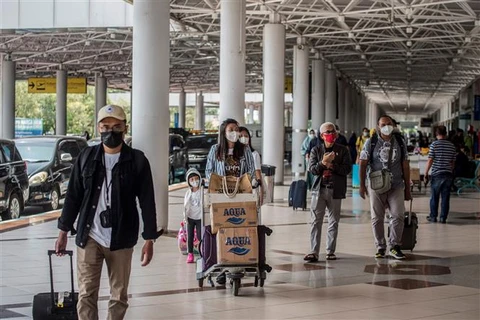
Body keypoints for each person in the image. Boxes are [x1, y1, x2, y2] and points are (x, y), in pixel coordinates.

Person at [55, 105, 162, 320]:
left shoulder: (137, 160)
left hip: (122, 237)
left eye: (116, 127)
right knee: (86, 294)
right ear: (98, 128)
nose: (110, 132)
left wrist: (149, 238)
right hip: (89, 235)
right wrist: (63, 230)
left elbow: (147, 201)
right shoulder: (86, 157)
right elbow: (73, 196)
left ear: (125, 128)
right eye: (105, 127)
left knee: (119, 296)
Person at [205, 118, 256, 284]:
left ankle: (239, 263)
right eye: (231, 129)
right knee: (222, 229)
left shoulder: (245, 150)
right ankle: (221, 266)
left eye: (236, 128)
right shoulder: (215, 150)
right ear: (224, 132)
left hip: (241, 196)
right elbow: (209, 172)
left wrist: (247, 182)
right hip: (221, 196)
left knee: (239, 227)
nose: (234, 132)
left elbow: (250, 171)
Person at [359, 115, 411, 260]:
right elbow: (362, 163)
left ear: (393, 125)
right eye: (383, 124)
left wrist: (407, 188)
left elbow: (405, 165)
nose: (386, 126)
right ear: (378, 126)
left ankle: (395, 246)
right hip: (376, 185)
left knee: (398, 215)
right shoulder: (371, 142)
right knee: (377, 217)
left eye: (389, 124)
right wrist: (362, 185)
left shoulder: (400, 142)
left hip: (396, 185)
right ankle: (380, 247)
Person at [303, 122, 352, 262]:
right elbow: (312, 169)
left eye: (333, 131)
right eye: (327, 132)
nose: (331, 134)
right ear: (321, 135)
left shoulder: (343, 150)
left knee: (333, 221)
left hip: (335, 190)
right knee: (315, 221)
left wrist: (332, 165)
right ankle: (314, 251)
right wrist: (323, 163)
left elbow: (346, 169)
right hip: (319, 189)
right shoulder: (315, 150)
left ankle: (330, 251)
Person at [424, 125, 456, 223]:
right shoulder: (451, 146)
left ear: (436, 134)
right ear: (445, 133)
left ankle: (433, 217)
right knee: (445, 198)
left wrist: (425, 173)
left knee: (434, 197)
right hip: (448, 174)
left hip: (437, 174)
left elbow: (430, 160)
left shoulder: (434, 145)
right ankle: (443, 218)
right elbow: (453, 162)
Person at [239, 126, 263, 204]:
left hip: (249, 187)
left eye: (246, 136)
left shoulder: (254, 154)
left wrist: (261, 192)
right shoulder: (234, 154)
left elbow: (258, 173)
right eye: (240, 136)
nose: (243, 138)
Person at [184, 168, 203, 263]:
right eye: (192, 180)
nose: (195, 181)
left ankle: (202, 253)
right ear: (189, 182)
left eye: (196, 178)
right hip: (190, 218)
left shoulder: (203, 191)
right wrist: (185, 217)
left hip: (200, 217)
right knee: (190, 236)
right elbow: (185, 206)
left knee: (200, 236)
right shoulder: (188, 193)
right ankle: (190, 254)